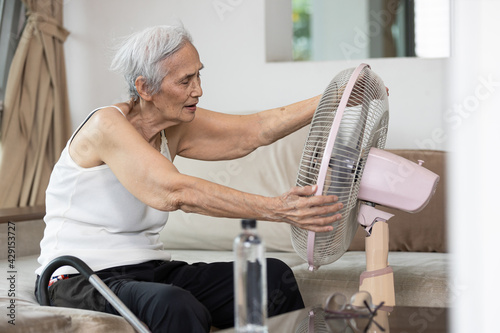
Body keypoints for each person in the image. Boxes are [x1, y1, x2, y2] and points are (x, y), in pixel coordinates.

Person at [35, 25, 344, 332]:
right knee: (173, 303)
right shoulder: (106, 125)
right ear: (145, 88)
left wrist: (336, 99)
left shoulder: (172, 124)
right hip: (78, 277)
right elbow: (176, 192)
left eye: (198, 75)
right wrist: (278, 208)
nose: (198, 90)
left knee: (271, 277)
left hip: (148, 271)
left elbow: (257, 129)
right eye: (185, 80)